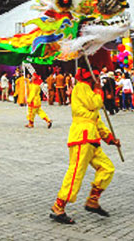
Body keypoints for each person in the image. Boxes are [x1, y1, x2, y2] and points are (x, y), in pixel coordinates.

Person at [50, 69, 120, 225]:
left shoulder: (88, 89)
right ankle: (58, 206)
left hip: (93, 138)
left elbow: (97, 119)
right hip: (81, 137)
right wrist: (98, 90)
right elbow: (95, 103)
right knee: (76, 173)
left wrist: (110, 139)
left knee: (107, 168)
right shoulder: (81, 87)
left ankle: (93, 200)